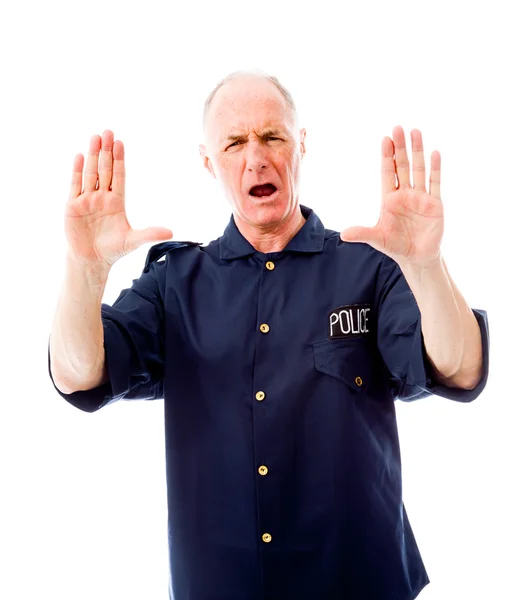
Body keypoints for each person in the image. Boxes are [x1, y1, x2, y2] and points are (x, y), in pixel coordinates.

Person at [48, 69, 490, 600]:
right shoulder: (174, 283)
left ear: (301, 145)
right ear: (209, 162)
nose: (255, 157)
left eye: (272, 136)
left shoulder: (371, 268)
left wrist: (426, 266)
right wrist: (84, 270)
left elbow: (459, 365)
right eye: (234, 142)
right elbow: (77, 373)